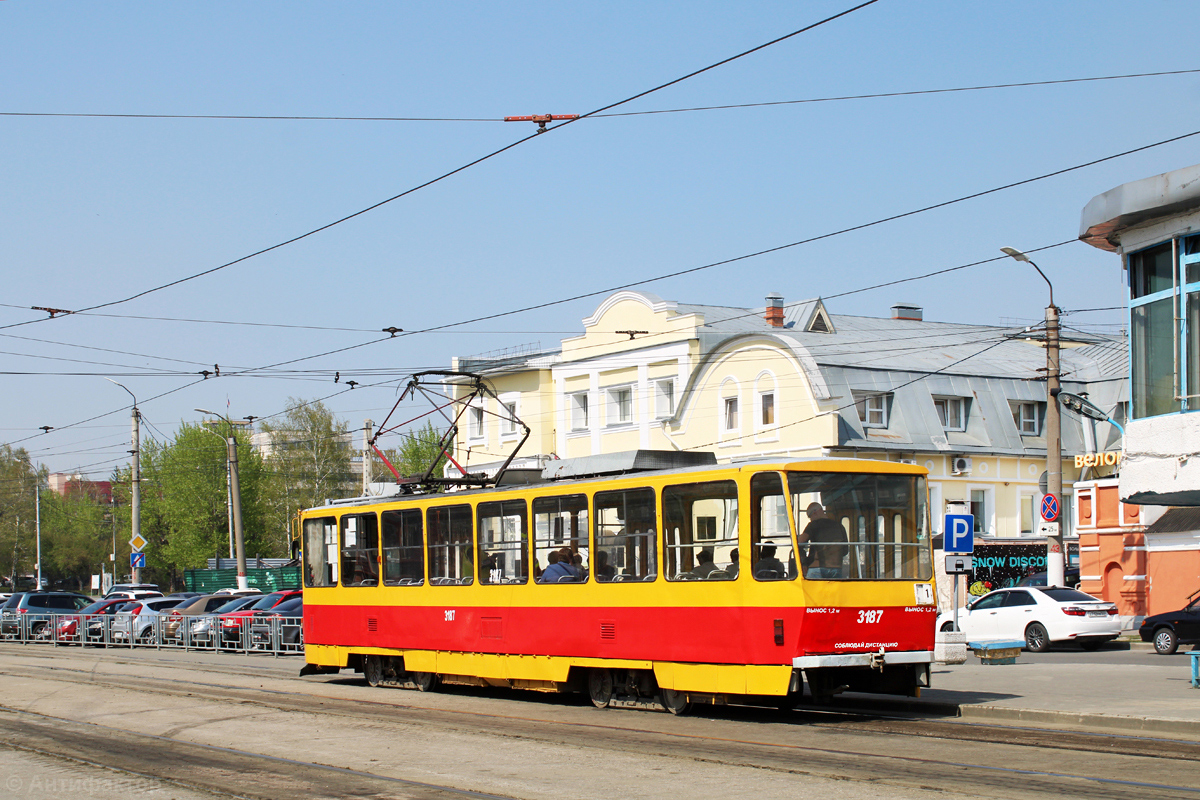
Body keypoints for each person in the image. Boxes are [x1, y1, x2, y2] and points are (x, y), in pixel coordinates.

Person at [798, 502, 848, 579]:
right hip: (837, 568)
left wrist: (804, 561)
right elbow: (845, 551)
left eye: (810, 516)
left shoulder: (813, 525)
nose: (810, 519)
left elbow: (799, 542)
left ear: (814, 513)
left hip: (817, 567)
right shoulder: (840, 526)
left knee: (809, 586)